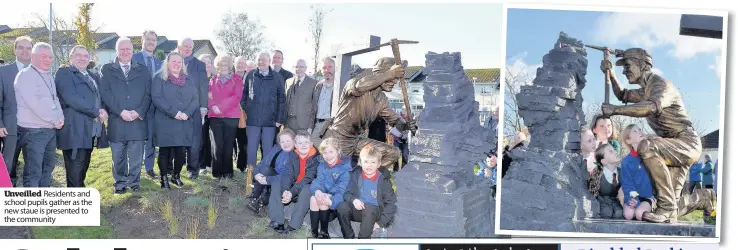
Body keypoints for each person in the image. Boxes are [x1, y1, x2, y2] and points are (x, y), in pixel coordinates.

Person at [601, 48, 702, 223]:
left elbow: (651, 107)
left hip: (685, 143)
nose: (624, 70)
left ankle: (667, 207)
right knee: (674, 207)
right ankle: (704, 198)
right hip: (670, 148)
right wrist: (610, 73)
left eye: (627, 65)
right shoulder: (644, 91)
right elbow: (622, 94)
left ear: (643, 64)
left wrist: (616, 110)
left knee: (647, 145)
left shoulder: (661, 85)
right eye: (623, 67)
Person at [320, 57, 417, 172]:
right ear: (380, 74)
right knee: (335, 175)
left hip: (356, 141)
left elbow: (396, 121)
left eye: (395, 78)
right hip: (337, 138)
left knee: (393, 152)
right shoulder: (354, 83)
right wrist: (390, 73)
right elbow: (360, 86)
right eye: (392, 78)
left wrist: (406, 125)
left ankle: (366, 179)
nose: (394, 81)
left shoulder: (382, 99)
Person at [99, 37, 152, 194]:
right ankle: (120, 184)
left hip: (137, 121)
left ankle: (134, 182)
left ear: (132, 51)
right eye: (121, 49)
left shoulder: (143, 70)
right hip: (117, 120)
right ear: (116, 51)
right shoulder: (107, 69)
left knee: (136, 157)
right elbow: (105, 93)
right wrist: (120, 111)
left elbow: (148, 94)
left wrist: (138, 112)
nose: (125, 52)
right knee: (118, 156)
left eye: (128, 49)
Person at [55, 45, 109, 187]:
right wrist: (97, 112)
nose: (82, 58)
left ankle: (80, 198)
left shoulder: (92, 75)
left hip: (90, 131)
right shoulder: (64, 73)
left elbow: (99, 98)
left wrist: (103, 110)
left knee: (83, 168)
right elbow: (73, 99)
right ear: (70, 57)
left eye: (85, 56)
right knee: (75, 171)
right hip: (74, 130)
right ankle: (76, 203)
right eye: (78, 55)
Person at [14, 42, 64, 187]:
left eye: (50, 57)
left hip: (49, 130)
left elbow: (55, 99)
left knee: (47, 169)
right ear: (33, 56)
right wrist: (55, 120)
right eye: (43, 56)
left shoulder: (48, 75)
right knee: (33, 173)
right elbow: (35, 104)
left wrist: (60, 118)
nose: (48, 59)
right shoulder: (26, 75)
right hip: (33, 132)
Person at [151, 52, 199, 189]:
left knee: (180, 154)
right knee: (164, 152)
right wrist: (174, 112)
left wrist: (187, 114)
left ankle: (176, 175)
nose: (177, 64)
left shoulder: (188, 80)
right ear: (167, 62)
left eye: (180, 62)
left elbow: (195, 99)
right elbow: (157, 98)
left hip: (184, 122)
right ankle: (163, 178)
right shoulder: (159, 78)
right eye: (174, 61)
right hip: (165, 121)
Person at [338, 145, 397, 239]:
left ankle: (363, 240)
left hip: (374, 212)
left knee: (369, 207)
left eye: (373, 162)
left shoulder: (383, 180)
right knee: (342, 206)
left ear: (378, 164)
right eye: (366, 162)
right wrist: (354, 200)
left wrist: (380, 223)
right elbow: (347, 193)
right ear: (361, 162)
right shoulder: (356, 175)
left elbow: (391, 203)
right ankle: (348, 237)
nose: (369, 165)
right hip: (359, 210)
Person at [240, 52, 286, 168]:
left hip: (270, 122)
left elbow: (282, 100)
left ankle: (264, 177)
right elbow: (244, 94)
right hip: (252, 121)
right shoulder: (251, 75)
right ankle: (250, 177)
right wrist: (246, 109)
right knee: (251, 150)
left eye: (264, 60)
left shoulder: (277, 77)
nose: (261, 62)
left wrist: (279, 119)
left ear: (269, 61)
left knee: (267, 150)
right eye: (259, 60)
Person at [0, 36, 32, 187]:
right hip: (10, 127)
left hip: (34, 129)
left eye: (28, 48)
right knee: (8, 165)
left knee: (34, 166)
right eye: (21, 47)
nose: (25, 51)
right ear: (15, 50)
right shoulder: (3, 71)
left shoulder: (40, 71)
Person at [132, 30, 163, 179]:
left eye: (154, 40)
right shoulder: (133, 58)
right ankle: (134, 169)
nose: (151, 42)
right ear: (142, 41)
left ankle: (149, 168)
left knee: (150, 139)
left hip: (154, 108)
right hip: (137, 106)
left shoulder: (160, 63)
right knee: (136, 139)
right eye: (148, 39)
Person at [246, 129, 298, 215]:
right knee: (264, 169)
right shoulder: (276, 149)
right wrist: (256, 174)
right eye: (282, 142)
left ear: (294, 141)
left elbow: (287, 177)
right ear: (279, 143)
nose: (285, 144)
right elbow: (262, 163)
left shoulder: (295, 156)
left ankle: (262, 202)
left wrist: (268, 180)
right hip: (269, 177)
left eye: (288, 141)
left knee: (273, 185)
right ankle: (254, 198)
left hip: (283, 183)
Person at [207, 55, 242, 180]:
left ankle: (227, 172)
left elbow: (236, 97)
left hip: (231, 117)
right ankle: (217, 173)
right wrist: (213, 106)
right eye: (220, 64)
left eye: (225, 64)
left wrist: (220, 107)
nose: (223, 66)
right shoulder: (212, 80)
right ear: (217, 66)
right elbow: (209, 96)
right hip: (215, 117)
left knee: (228, 146)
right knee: (217, 145)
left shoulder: (237, 79)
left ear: (230, 65)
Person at [177, 38, 209, 179]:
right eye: (185, 46)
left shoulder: (199, 65)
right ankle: (176, 168)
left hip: (195, 107)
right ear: (180, 47)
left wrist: (203, 106)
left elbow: (203, 86)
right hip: (176, 108)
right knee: (178, 139)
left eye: (190, 46)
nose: (188, 48)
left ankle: (193, 169)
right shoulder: (173, 62)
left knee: (195, 140)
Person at [309, 137, 352, 239]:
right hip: (324, 200)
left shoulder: (345, 169)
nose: (327, 156)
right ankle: (314, 233)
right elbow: (318, 181)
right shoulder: (322, 165)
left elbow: (343, 192)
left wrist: (331, 200)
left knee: (324, 199)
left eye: (331, 152)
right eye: (324, 153)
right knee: (313, 198)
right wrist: (318, 190)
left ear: (338, 151)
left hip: (335, 205)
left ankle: (324, 232)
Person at [278, 131, 320, 234]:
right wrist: (286, 191)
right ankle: (277, 220)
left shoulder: (317, 158)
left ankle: (294, 225)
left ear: (311, 144)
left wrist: (292, 192)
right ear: (295, 145)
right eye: (300, 143)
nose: (303, 145)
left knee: (306, 188)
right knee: (279, 181)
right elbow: (288, 174)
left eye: (306, 142)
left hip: (310, 190)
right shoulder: (293, 156)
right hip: (295, 189)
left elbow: (309, 178)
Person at [619, 124, 656, 221]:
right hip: (634, 197)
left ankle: (653, 206)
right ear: (628, 141)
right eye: (634, 131)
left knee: (640, 213)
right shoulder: (626, 161)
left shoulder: (651, 155)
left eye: (639, 129)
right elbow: (627, 184)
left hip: (649, 196)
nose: (639, 131)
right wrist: (632, 200)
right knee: (628, 214)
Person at [588, 143, 624, 219]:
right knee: (606, 212)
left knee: (619, 213)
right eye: (611, 151)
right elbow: (593, 193)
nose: (615, 152)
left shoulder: (622, 172)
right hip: (602, 201)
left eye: (614, 150)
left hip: (615, 201)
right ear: (604, 161)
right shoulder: (598, 174)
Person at [285, 59, 318, 133]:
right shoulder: (288, 81)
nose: (298, 69)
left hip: (304, 124)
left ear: (305, 68)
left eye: (301, 67)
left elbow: (314, 107)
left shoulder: (313, 83)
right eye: (296, 67)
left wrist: (310, 126)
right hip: (288, 123)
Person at [312, 57, 335, 148]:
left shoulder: (339, 85)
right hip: (318, 123)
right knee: (313, 140)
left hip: (331, 124)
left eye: (330, 67)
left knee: (331, 148)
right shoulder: (318, 85)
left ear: (335, 68)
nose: (327, 70)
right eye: (324, 68)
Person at [198, 53, 215, 175]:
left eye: (209, 62)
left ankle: (211, 164)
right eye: (204, 62)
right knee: (202, 139)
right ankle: (202, 165)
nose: (206, 64)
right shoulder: (197, 78)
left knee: (213, 140)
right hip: (201, 112)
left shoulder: (216, 78)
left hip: (215, 113)